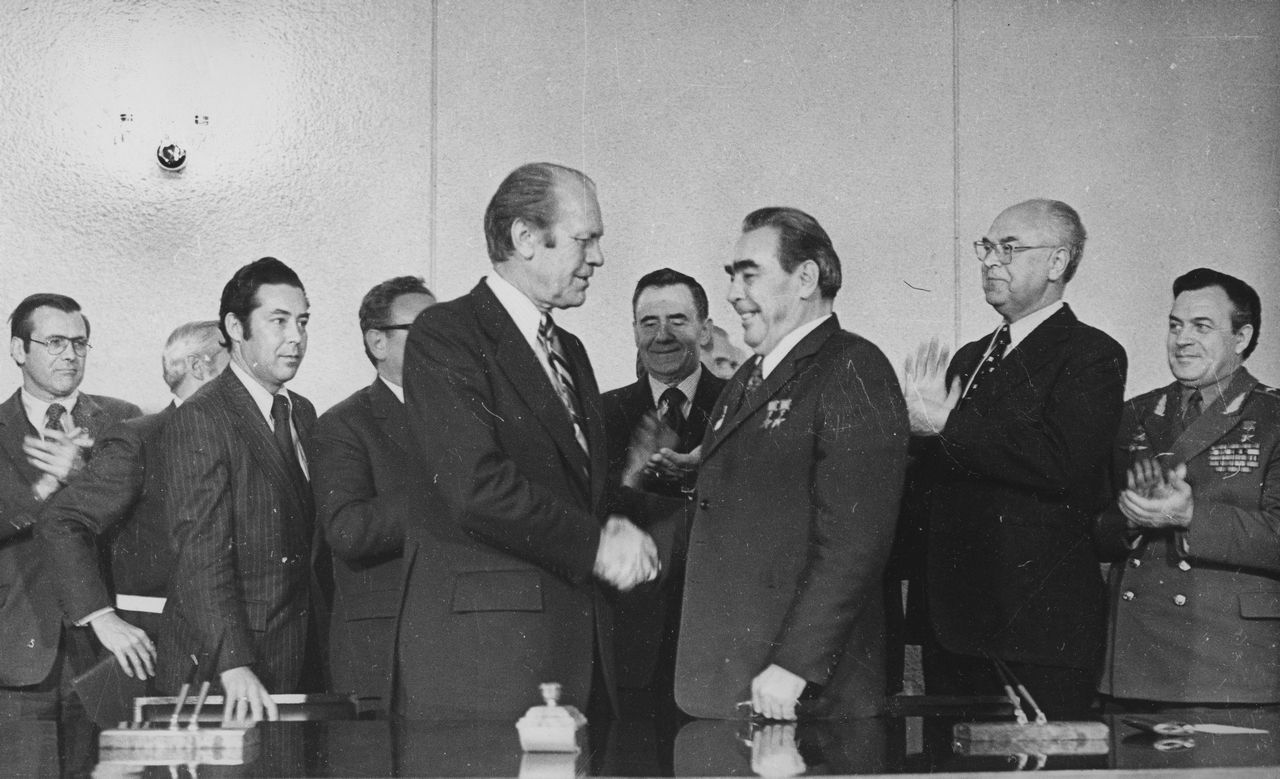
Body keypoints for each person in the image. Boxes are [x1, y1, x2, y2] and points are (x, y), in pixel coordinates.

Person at [398, 162, 660, 720]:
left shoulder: (571, 350)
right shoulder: (446, 335)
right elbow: (477, 488)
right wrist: (597, 545)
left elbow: (574, 494)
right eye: (585, 239)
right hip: (492, 665)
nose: (598, 258)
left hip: (574, 653)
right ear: (525, 238)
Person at [675, 207, 909, 720]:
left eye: (749, 275)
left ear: (806, 278)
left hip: (799, 692)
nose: (733, 293)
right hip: (736, 678)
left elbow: (855, 541)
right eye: (731, 276)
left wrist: (796, 665)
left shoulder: (854, 368)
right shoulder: (747, 379)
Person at [901, 199, 1126, 716]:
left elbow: (1061, 461)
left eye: (1008, 248)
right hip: (952, 623)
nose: (989, 262)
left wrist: (945, 425)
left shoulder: (1092, 354)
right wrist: (913, 433)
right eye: (986, 247)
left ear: (1057, 262)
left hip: (1034, 629)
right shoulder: (969, 356)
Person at [1097, 268, 1280, 704]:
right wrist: (1131, 519)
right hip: (1133, 656)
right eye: (1175, 325)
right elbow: (1095, 531)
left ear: (1241, 337)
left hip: (1228, 661)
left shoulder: (1273, 417)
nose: (1182, 340)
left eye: (1202, 326)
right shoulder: (1135, 414)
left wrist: (1189, 515)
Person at [156, 257, 317, 723]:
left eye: (303, 321)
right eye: (279, 321)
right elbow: (198, 553)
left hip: (295, 655)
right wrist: (233, 663)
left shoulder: (302, 411)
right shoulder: (202, 417)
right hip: (228, 671)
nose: (296, 337)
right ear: (235, 327)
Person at [38, 321, 228, 681]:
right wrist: (101, 617)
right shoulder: (140, 437)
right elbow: (61, 521)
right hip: (161, 652)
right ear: (200, 367)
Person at [0, 293, 141, 715]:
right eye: (55, 342)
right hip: (19, 644)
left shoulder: (123, 418)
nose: (70, 355)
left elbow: (142, 516)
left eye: (79, 343)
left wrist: (82, 475)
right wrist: (44, 488)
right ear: (19, 350)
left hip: (109, 644)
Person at [602, 268, 727, 718]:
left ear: (705, 330)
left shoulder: (742, 405)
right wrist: (631, 478)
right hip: (630, 640)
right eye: (649, 323)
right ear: (634, 331)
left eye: (677, 320)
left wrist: (700, 473)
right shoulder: (601, 412)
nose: (662, 336)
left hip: (717, 636)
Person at [309, 276, 435, 711]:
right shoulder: (342, 424)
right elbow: (349, 530)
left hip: (466, 644)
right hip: (384, 651)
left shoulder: (469, 416)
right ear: (378, 343)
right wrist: (447, 489)